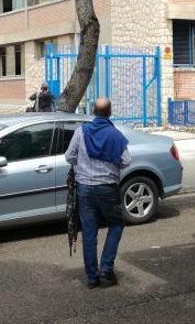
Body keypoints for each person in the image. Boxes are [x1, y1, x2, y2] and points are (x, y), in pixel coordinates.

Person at [65, 98, 130, 289]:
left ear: (93, 111)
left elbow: (69, 157)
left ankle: (92, 277)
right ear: (109, 113)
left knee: (89, 231)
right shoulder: (115, 135)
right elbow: (126, 161)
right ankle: (106, 270)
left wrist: (83, 164)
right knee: (116, 223)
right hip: (108, 189)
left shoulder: (80, 132)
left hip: (85, 188)